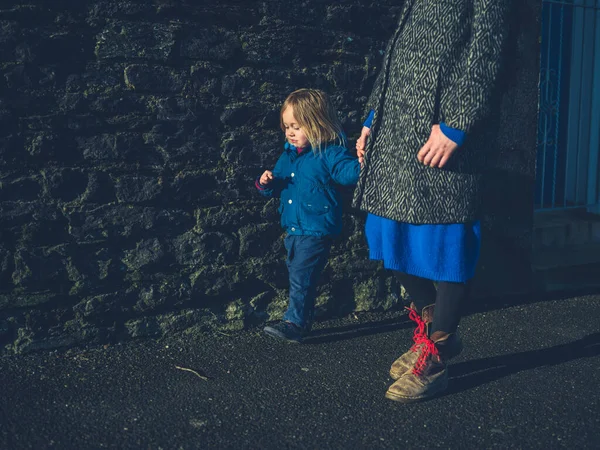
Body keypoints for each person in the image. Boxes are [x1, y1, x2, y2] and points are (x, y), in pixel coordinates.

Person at [353, 0, 512, 402]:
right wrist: (373, 118)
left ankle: (438, 351)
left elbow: (489, 46)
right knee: (388, 231)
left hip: (441, 131)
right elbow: (397, 50)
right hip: (397, 129)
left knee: (446, 240)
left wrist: (458, 122)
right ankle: (433, 328)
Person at [256, 88, 360, 343]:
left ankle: (295, 323)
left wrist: (363, 162)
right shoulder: (288, 156)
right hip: (293, 228)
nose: (290, 132)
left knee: (302, 274)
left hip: (317, 227)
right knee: (298, 274)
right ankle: (302, 319)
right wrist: (266, 183)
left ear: (317, 125)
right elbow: (276, 186)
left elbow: (349, 174)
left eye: (297, 126)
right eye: (287, 127)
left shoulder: (330, 154)